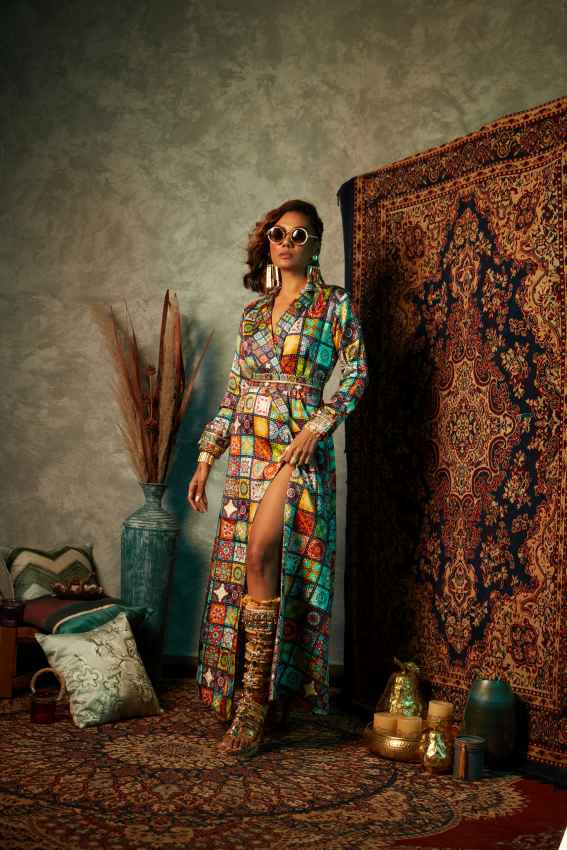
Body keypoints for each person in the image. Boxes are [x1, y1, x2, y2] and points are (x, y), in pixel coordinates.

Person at [187, 199, 368, 757]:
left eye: (299, 234)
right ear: (267, 242)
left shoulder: (334, 306)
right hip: (246, 448)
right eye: (278, 233)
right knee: (253, 568)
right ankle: (262, 692)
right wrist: (206, 455)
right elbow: (235, 393)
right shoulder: (252, 315)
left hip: (296, 447)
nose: (287, 242)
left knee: (264, 551)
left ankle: (252, 707)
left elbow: (358, 372)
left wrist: (319, 425)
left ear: (315, 245)